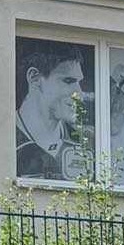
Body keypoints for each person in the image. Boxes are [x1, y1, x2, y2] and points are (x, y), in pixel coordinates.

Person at [16, 44, 94, 182]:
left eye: (79, 83)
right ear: (35, 78)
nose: (79, 95)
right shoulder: (3, 138)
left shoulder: (86, 143)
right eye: (68, 81)